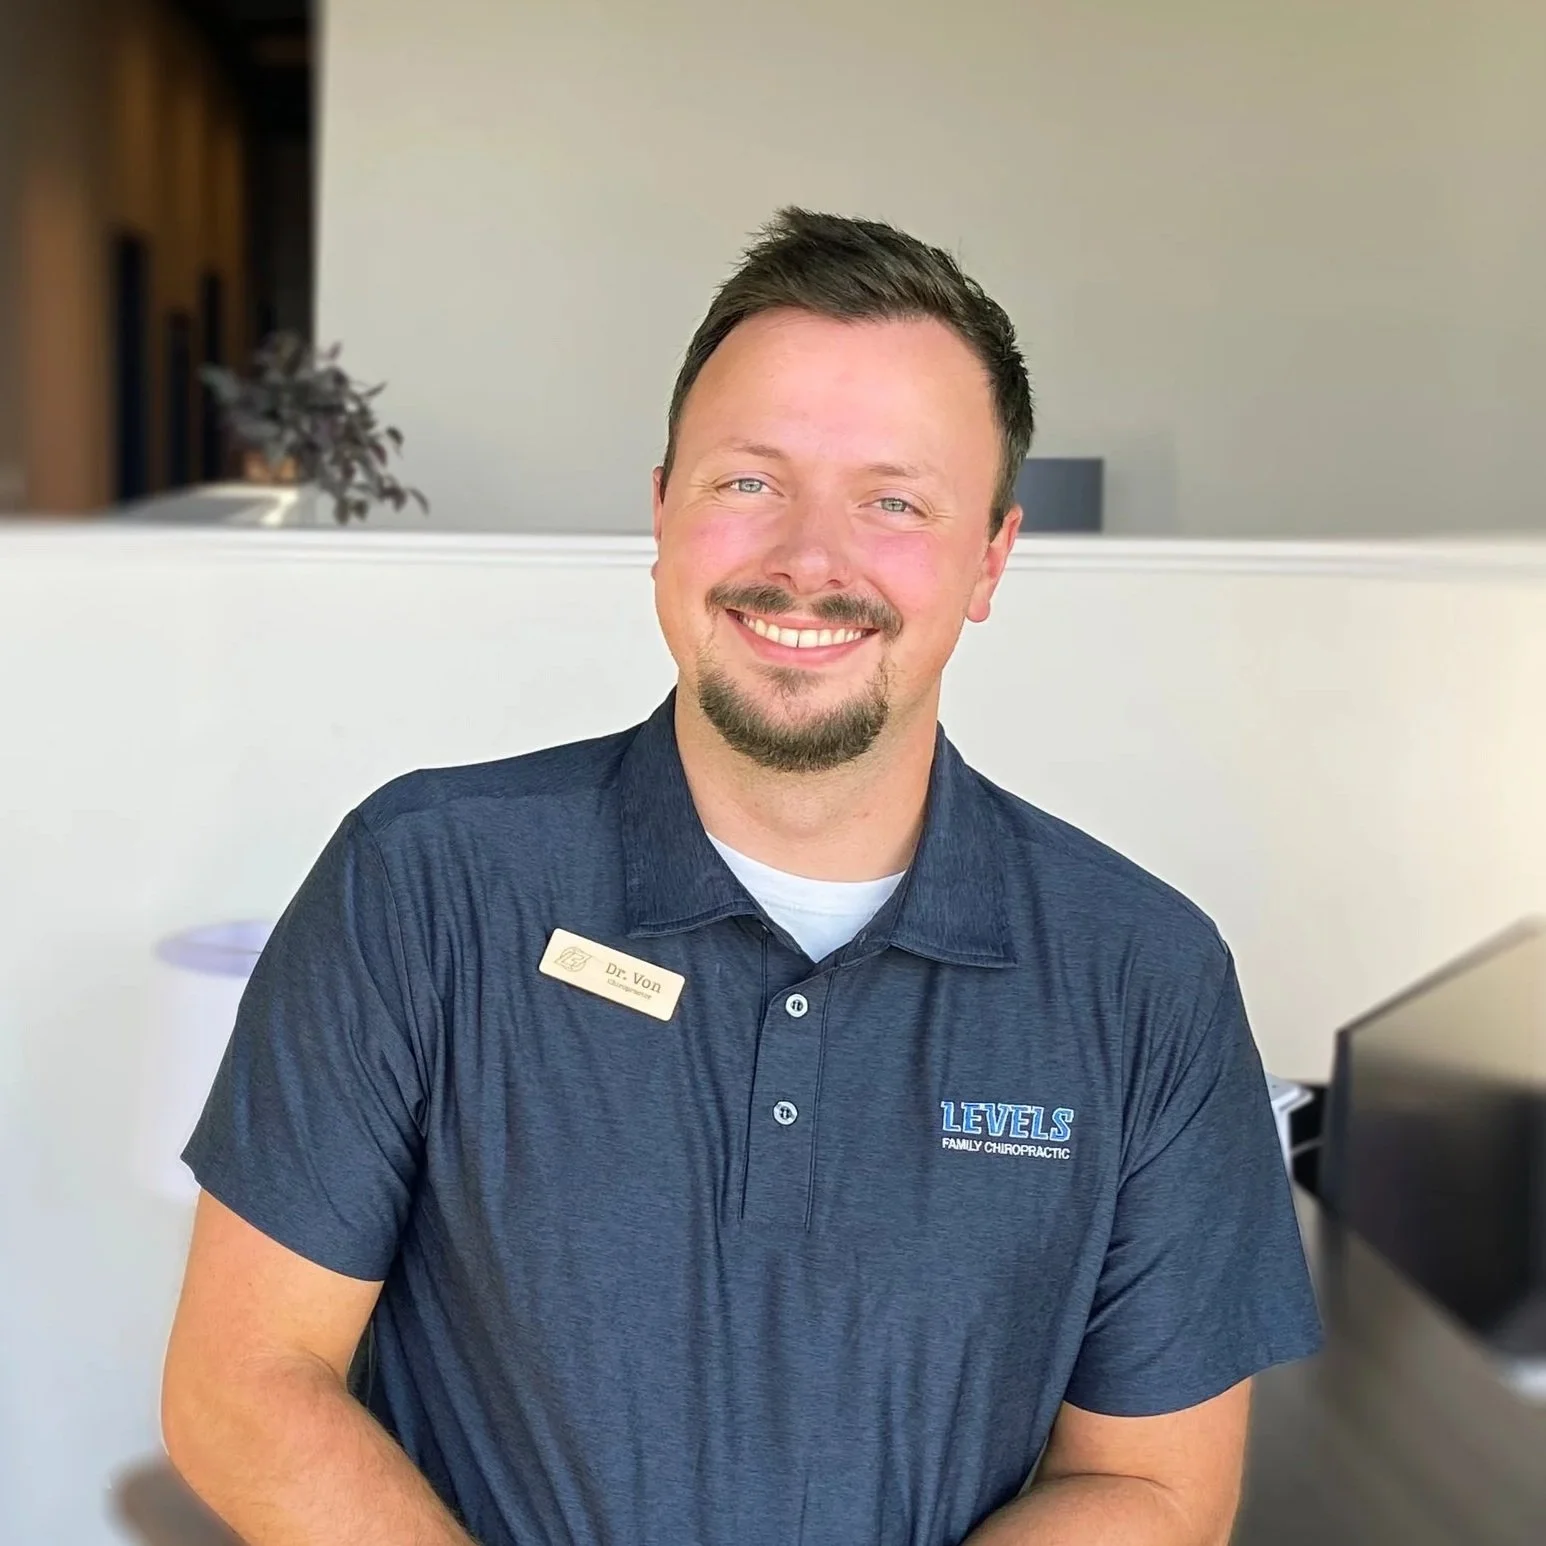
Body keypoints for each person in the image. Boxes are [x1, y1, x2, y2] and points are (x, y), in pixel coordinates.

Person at [161, 207, 1320, 1546]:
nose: (808, 560)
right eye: (748, 480)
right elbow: (245, 1384)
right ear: (663, 511)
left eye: (892, 499)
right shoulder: (418, 886)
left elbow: (1156, 1484)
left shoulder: (1145, 980)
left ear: (990, 556)